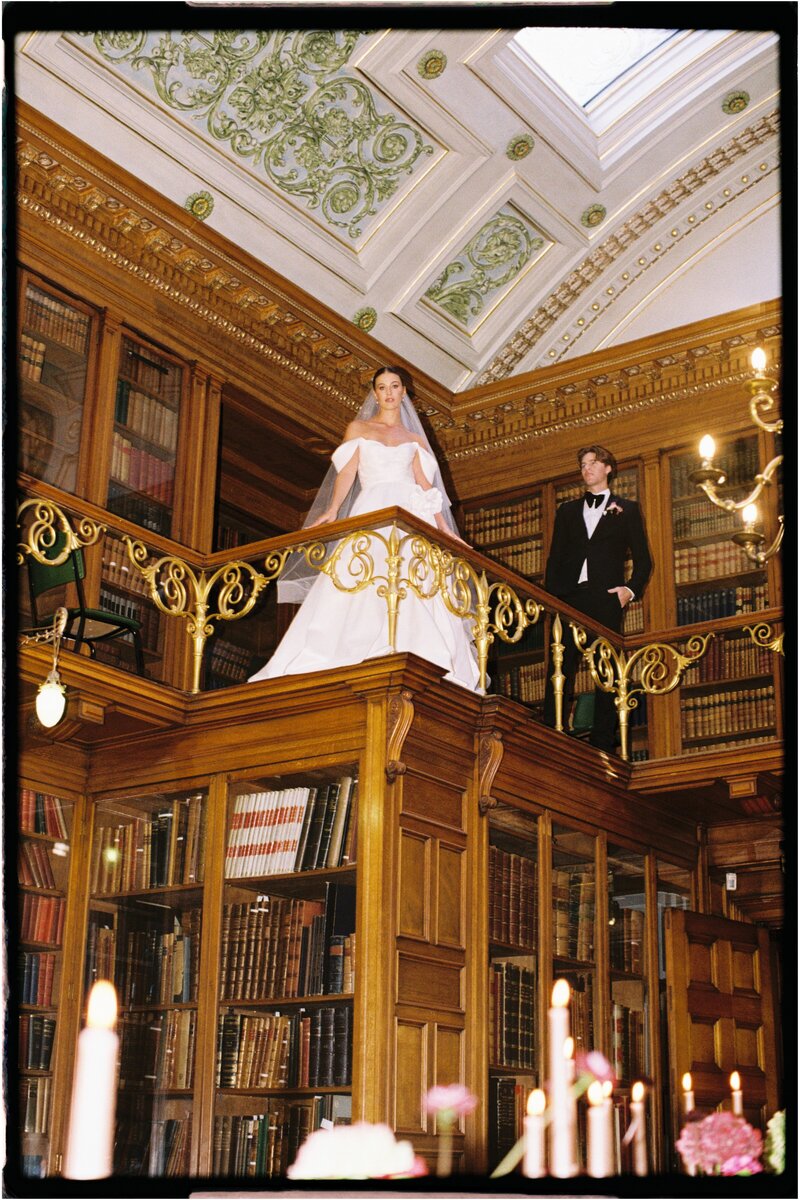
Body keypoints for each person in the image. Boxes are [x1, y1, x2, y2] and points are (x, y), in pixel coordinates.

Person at [249, 366, 481, 691]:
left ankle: (415, 651)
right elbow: (347, 472)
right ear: (375, 394)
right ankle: (357, 651)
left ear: (404, 392)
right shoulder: (359, 428)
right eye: (382, 387)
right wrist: (332, 509)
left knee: (417, 579)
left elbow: (426, 487)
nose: (389, 393)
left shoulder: (415, 440)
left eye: (394, 386)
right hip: (373, 506)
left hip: (412, 512)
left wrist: (445, 528)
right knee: (364, 571)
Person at [542, 444, 652, 751]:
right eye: (583, 465)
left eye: (592, 463)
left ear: (608, 468)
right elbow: (555, 558)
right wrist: (552, 598)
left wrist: (628, 591)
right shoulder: (566, 511)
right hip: (568, 598)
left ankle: (603, 741)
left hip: (606, 599)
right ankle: (552, 731)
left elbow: (644, 561)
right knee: (560, 664)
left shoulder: (627, 510)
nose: (586, 468)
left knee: (607, 669)